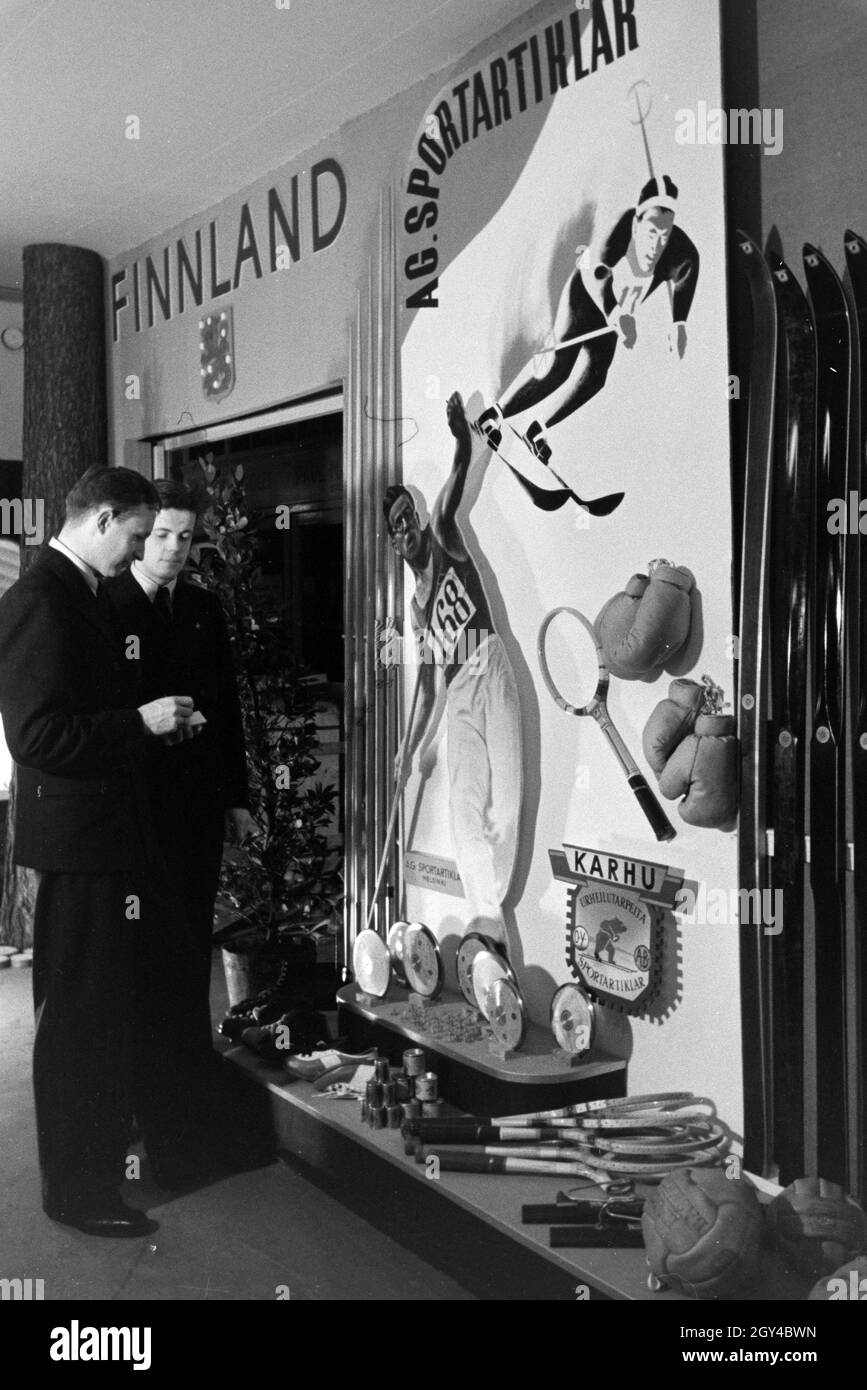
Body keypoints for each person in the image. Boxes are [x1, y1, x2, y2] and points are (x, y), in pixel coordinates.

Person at [0, 466, 199, 1237]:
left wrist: (155, 726)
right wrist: (138, 724)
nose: (146, 549)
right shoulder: (40, 598)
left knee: (100, 1016)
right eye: (142, 535)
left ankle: (93, 1173)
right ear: (105, 518)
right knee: (81, 1026)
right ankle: (78, 1193)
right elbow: (38, 737)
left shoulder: (77, 592)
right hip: (82, 848)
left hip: (102, 840)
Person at [106, 479, 253, 1051]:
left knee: (194, 936)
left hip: (196, 806)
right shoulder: (107, 606)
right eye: (162, 533)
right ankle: (143, 1081)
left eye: (185, 537)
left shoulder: (202, 607)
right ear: (141, 536)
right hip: (135, 808)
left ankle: (190, 1065)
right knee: (140, 946)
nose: (173, 547)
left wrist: (236, 797)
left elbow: (226, 705)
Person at [385, 392, 522, 947]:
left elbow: (460, 473)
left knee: (506, 803)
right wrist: (407, 747)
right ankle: (485, 926)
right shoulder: (415, 609)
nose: (404, 530)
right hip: (458, 693)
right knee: (462, 808)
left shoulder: (443, 533)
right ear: (392, 541)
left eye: (405, 517)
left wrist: (464, 438)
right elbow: (425, 684)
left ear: (416, 518)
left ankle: (495, 921)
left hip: (491, 665)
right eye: (394, 528)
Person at [476, 175, 700, 463]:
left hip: (613, 320)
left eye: (664, 235)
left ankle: (538, 429)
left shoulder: (679, 251)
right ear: (636, 223)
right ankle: (494, 416)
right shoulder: (618, 230)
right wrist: (616, 313)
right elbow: (598, 273)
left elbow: (687, 272)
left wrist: (678, 323)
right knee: (560, 370)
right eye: (651, 232)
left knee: (595, 378)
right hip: (585, 300)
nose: (656, 245)